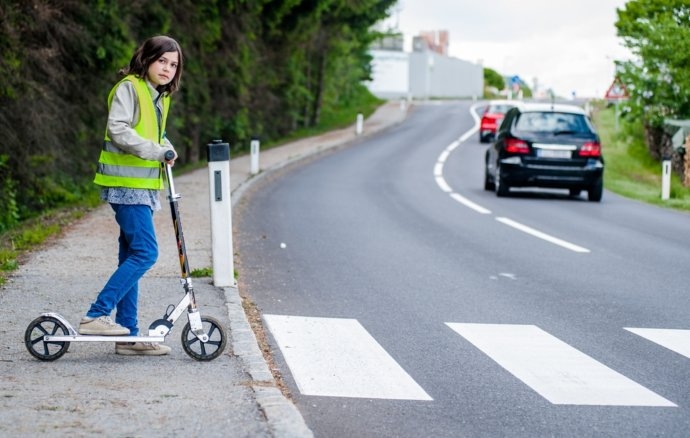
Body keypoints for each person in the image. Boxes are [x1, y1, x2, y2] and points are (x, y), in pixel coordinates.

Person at [78, 35, 183, 356]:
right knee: (146, 253)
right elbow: (119, 129)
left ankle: (128, 335)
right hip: (125, 186)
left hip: (143, 188)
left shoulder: (159, 97)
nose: (167, 69)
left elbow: (154, 133)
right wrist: (156, 150)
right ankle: (96, 315)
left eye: (173, 65)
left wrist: (167, 146)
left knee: (131, 255)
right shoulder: (130, 87)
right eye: (162, 61)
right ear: (148, 59)